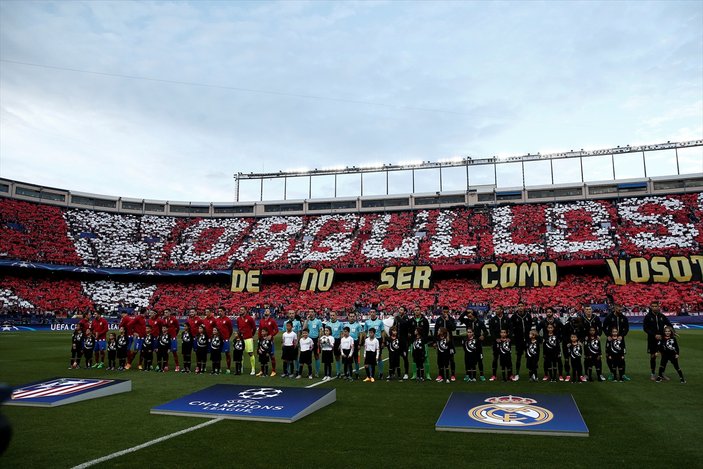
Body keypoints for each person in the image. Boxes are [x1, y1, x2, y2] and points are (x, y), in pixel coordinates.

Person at [643, 301, 672, 381]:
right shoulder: (648, 317)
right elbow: (645, 328)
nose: (654, 307)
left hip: (662, 340)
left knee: (664, 356)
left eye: (656, 306)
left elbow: (669, 324)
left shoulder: (662, 316)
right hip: (652, 340)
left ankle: (662, 373)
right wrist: (654, 335)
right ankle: (653, 374)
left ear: (658, 307)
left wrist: (673, 331)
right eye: (653, 306)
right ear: (651, 307)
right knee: (653, 356)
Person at [458, 309, 488, 381]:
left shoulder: (480, 322)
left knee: (479, 360)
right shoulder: (467, 321)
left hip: (477, 344)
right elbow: (460, 318)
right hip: (468, 344)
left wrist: (483, 336)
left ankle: (481, 375)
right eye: (468, 316)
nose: (469, 317)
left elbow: (486, 332)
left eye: (470, 316)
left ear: (474, 315)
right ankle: (467, 375)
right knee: (467, 360)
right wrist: (465, 311)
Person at [510, 302, 532, 381]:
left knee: (529, 356)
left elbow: (531, 326)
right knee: (518, 357)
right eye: (519, 306)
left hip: (528, 340)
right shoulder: (514, 316)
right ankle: (517, 374)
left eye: (521, 306)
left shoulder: (528, 316)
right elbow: (511, 327)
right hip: (519, 340)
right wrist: (513, 335)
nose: (520, 307)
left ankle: (531, 374)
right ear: (517, 307)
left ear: (524, 307)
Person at [488, 306, 510, 381]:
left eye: (497, 309)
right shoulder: (493, 319)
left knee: (507, 358)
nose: (496, 310)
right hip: (496, 342)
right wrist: (496, 338)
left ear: (502, 310)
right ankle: (494, 375)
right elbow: (491, 331)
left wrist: (509, 337)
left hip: (506, 342)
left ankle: (510, 375)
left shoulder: (507, 319)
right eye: (495, 309)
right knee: (495, 358)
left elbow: (511, 329)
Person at [434, 307, 457, 381]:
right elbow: (435, 331)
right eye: (444, 312)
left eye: (447, 312)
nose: (445, 313)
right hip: (440, 342)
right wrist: (435, 341)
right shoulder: (438, 320)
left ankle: (453, 374)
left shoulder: (451, 319)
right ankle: (441, 374)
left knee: (451, 359)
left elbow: (453, 328)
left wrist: (448, 321)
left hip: (449, 342)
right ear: (442, 312)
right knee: (439, 359)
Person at [409, 307, 431, 380]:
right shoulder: (411, 320)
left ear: (420, 311)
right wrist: (412, 340)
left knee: (425, 357)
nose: (416, 311)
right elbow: (410, 332)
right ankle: (415, 374)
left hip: (423, 342)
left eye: (418, 310)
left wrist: (423, 340)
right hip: (414, 343)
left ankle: (427, 374)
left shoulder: (424, 320)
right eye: (415, 310)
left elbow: (427, 331)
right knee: (414, 358)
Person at [363, 310, 385, 379]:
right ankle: (370, 375)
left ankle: (381, 373)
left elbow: (382, 331)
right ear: (369, 313)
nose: (372, 313)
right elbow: (365, 332)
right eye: (371, 312)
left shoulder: (380, 322)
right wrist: (364, 341)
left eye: (373, 312)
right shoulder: (367, 322)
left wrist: (383, 341)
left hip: (378, 339)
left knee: (379, 357)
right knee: (369, 357)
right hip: (369, 340)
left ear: (376, 313)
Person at [236, 306, 257, 376]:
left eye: (242, 310)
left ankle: (253, 369)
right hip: (241, 339)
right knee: (240, 353)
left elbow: (254, 328)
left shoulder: (250, 318)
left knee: (250, 353)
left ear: (246, 310)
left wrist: (251, 335)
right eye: (240, 309)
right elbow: (239, 329)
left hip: (248, 338)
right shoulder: (238, 319)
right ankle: (240, 368)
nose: (241, 311)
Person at [391, 307, 411, 379]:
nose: (400, 311)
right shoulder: (396, 318)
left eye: (401, 310)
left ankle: (406, 373)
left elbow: (404, 324)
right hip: (397, 341)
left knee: (405, 357)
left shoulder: (406, 318)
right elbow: (393, 327)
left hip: (404, 341)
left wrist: (397, 318)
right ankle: (393, 372)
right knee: (395, 357)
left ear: (405, 311)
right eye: (399, 309)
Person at [258, 308, 278, 376]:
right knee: (262, 356)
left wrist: (271, 335)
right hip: (262, 341)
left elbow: (276, 330)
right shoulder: (261, 321)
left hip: (270, 341)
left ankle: (273, 370)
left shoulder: (272, 321)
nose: (266, 311)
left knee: (272, 356)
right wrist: (259, 339)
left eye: (268, 311)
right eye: (265, 311)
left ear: (270, 313)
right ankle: (262, 370)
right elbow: (260, 330)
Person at [324, 311, 344, 378]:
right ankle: (327, 373)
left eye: (333, 315)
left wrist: (341, 343)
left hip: (337, 341)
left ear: (336, 315)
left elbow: (341, 334)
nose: (332, 316)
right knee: (328, 357)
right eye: (331, 315)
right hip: (328, 341)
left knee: (337, 357)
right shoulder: (328, 324)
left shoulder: (340, 324)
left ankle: (338, 372)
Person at [343, 312, 364, 379]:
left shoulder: (358, 325)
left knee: (356, 359)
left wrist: (359, 344)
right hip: (347, 344)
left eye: (353, 316)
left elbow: (361, 335)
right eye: (350, 316)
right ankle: (349, 373)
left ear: (355, 317)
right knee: (349, 359)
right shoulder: (345, 325)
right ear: (348, 317)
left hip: (355, 342)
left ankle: (357, 373)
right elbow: (343, 335)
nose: (352, 318)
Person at [305, 309, 324, 377]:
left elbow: (320, 331)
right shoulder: (307, 321)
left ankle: (317, 372)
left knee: (316, 356)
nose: (310, 313)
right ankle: (309, 372)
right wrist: (307, 320)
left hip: (316, 339)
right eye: (309, 312)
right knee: (308, 356)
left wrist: (319, 339)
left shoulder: (318, 321)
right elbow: (304, 329)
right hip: (308, 340)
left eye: (312, 312)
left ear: (314, 313)